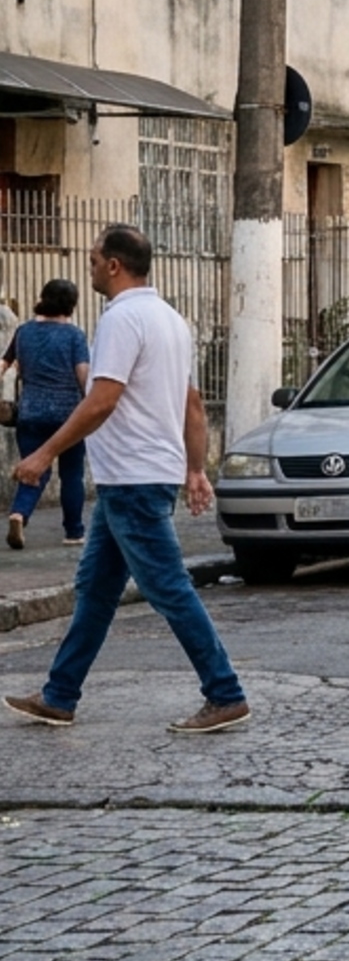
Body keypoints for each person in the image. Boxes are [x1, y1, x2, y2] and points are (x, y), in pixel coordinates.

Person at [6, 225, 249, 734]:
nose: (90, 267)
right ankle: (60, 694)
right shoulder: (170, 320)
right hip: (141, 476)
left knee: (168, 588)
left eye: (94, 259)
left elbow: (102, 399)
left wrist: (44, 454)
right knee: (95, 589)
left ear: (114, 265)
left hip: (132, 479)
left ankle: (224, 692)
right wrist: (194, 468)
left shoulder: (121, 318)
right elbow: (193, 403)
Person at [3, 278, 90, 550]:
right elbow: (83, 376)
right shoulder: (75, 335)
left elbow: (3, 364)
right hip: (68, 416)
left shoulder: (24, 331)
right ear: (72, 305)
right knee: (72, 474)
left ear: (42, 298)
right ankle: (73, 532)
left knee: (34, 469)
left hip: (30, 413)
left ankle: (19, 513)